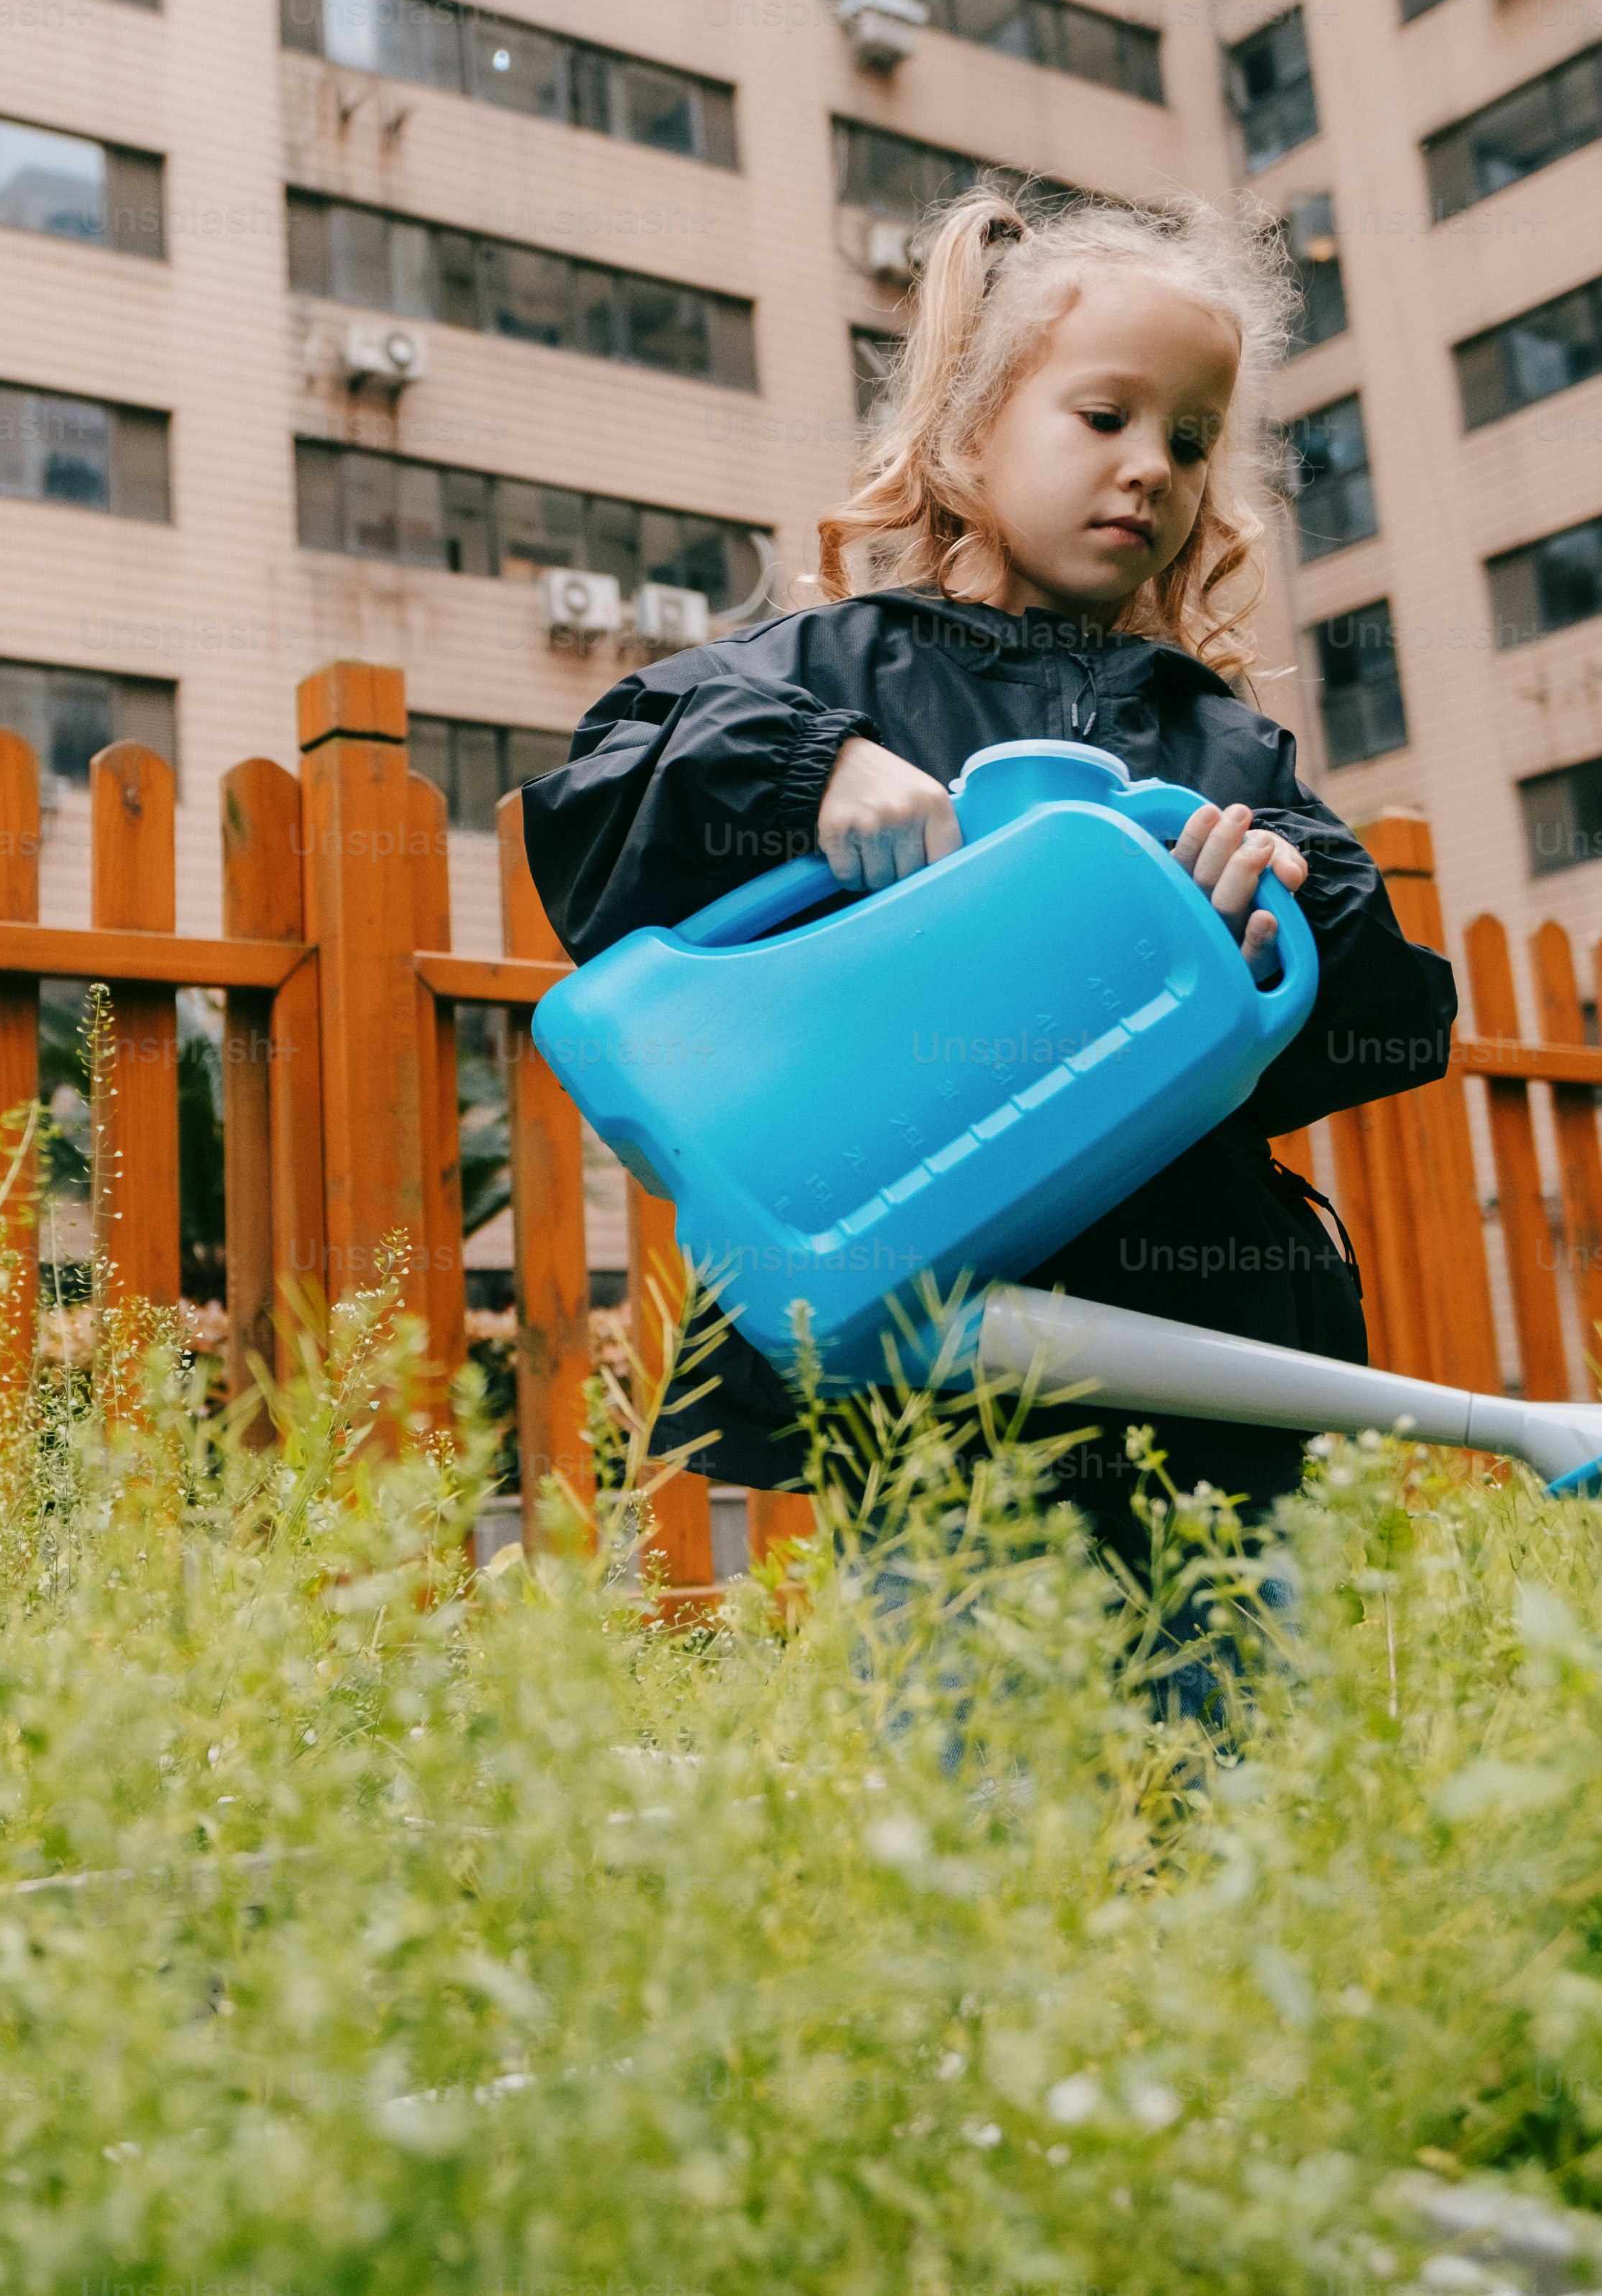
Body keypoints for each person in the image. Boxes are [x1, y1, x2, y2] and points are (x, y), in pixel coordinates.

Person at [516, 183, 1461, 1606]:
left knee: (1238, 1745)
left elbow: (1390, 1001)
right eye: (1103, 418)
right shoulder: (831, 671)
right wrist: (811, 768)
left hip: (1200, 1342)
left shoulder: (1213, 739)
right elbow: (606, 779)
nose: (1150, 466)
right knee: (981, 1765)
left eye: (1189, 440)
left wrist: (1271, 904)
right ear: (968, 431)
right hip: (933, 1355)